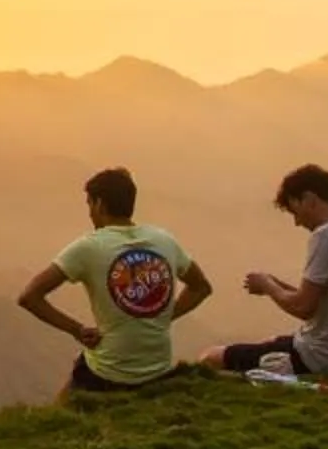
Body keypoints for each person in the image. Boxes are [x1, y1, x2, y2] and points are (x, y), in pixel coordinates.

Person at [16, 166, 212, 395]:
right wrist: (162, 316)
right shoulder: (164, 240)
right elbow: (201, 287)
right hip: (160, 369)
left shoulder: (88, 247)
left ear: (99, 204)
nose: (89, 212)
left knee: (68, 395)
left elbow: (29, 297)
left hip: (110, 373)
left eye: (89, 204)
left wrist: (77, 330)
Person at [204, 163, 328, 376]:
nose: (297, 222)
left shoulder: (327, 236)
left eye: (295, 211)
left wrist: (268, 286)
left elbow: (303, 308)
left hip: (322, 360)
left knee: (210, 357)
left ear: (309, 199)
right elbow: (323, 302)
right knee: (269, 341)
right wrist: (276, 284)